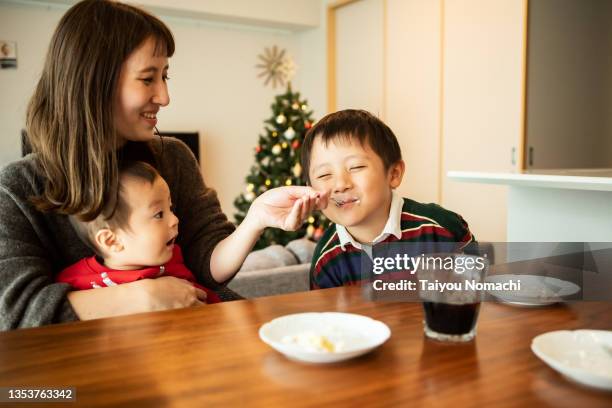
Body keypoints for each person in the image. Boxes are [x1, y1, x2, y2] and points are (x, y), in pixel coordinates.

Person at [0, 0, 326, 330]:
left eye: (164, 76)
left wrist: (255, 218)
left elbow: (207, 265)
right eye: (147, 79)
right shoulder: (17, 190)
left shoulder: (173, 158)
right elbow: (14, 314)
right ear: (93, 83)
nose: (164, 96)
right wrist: (142, 297)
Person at [300, 109, 475, 289]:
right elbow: (328, 317)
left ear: (394, 174)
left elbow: (479, 299)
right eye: (324, 175)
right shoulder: (326, 258)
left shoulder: (442, 230)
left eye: (356, 167)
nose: (341, 184)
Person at [57, 161, 221, 304]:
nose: (175, 219)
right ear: (111, 241)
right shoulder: (74, 282)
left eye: (170, 208)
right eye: (159, 214)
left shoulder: (173, 264)